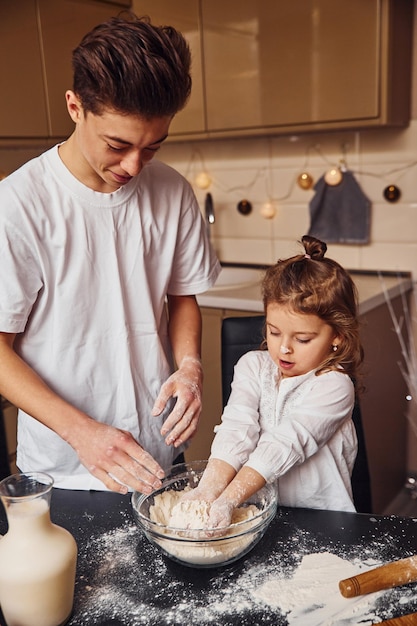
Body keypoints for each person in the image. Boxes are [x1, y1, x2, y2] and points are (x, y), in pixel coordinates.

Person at [0, 14, 220, 493]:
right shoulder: (18, 206)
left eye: (153, 147)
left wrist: (190, 366)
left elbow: (182, 296)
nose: (134, 165)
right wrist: (82, 433)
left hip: (159, 449)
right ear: (75, 107)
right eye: (118, 145)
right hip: (66, 468)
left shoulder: (173, 192)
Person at [185, 235, 363, 528]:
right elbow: (237, 429)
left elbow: (285, 444)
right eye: (274, 331)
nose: (283, 349)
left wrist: (228, 499)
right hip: (260, 516)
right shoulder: (252, 367)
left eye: (302, 339)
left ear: (337, 336)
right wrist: (208, 490)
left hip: (324, 521)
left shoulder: (334, 386)